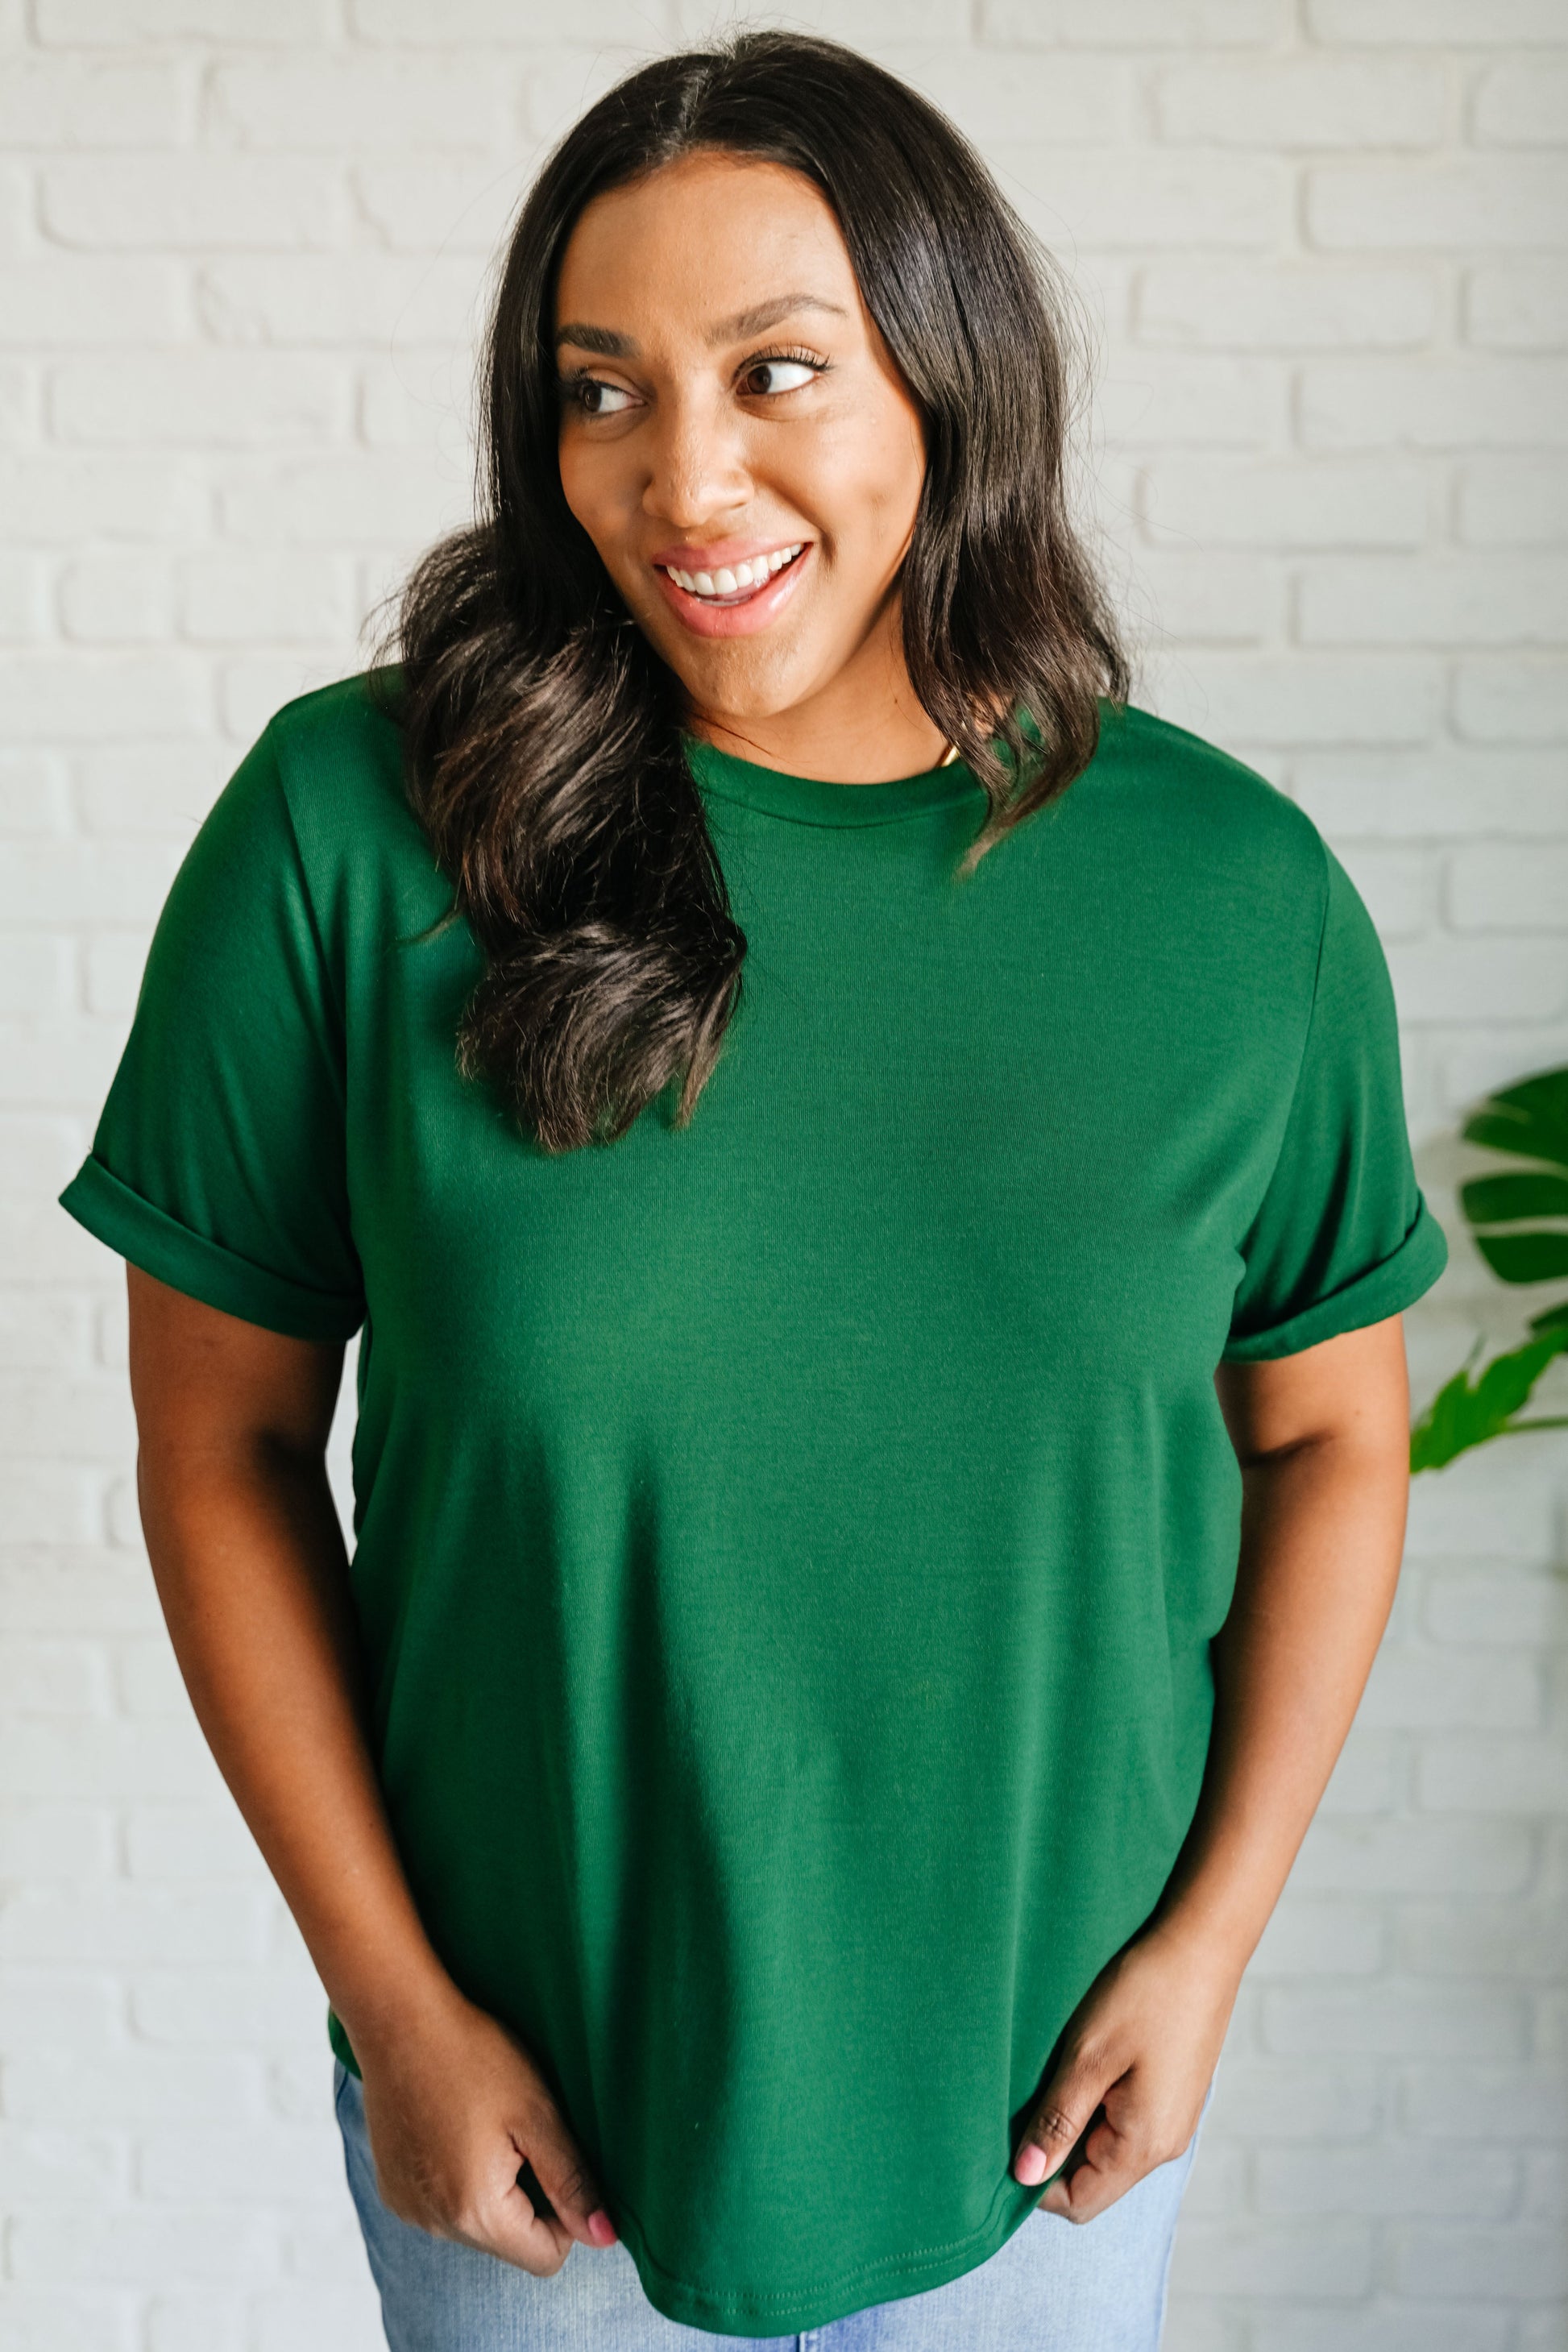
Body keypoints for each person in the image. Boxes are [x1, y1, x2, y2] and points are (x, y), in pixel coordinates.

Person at [59, 31, 1447, 2352]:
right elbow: (219, 1448)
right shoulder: (349, 830)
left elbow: (1330, 1440)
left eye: (774, 371)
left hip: (1043, 2146)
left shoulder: (1234, 895)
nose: (681, 477)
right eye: (600, 392)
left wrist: (1208, 1950)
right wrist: (396, 2009)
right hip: (527, 2159)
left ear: (947, 377)